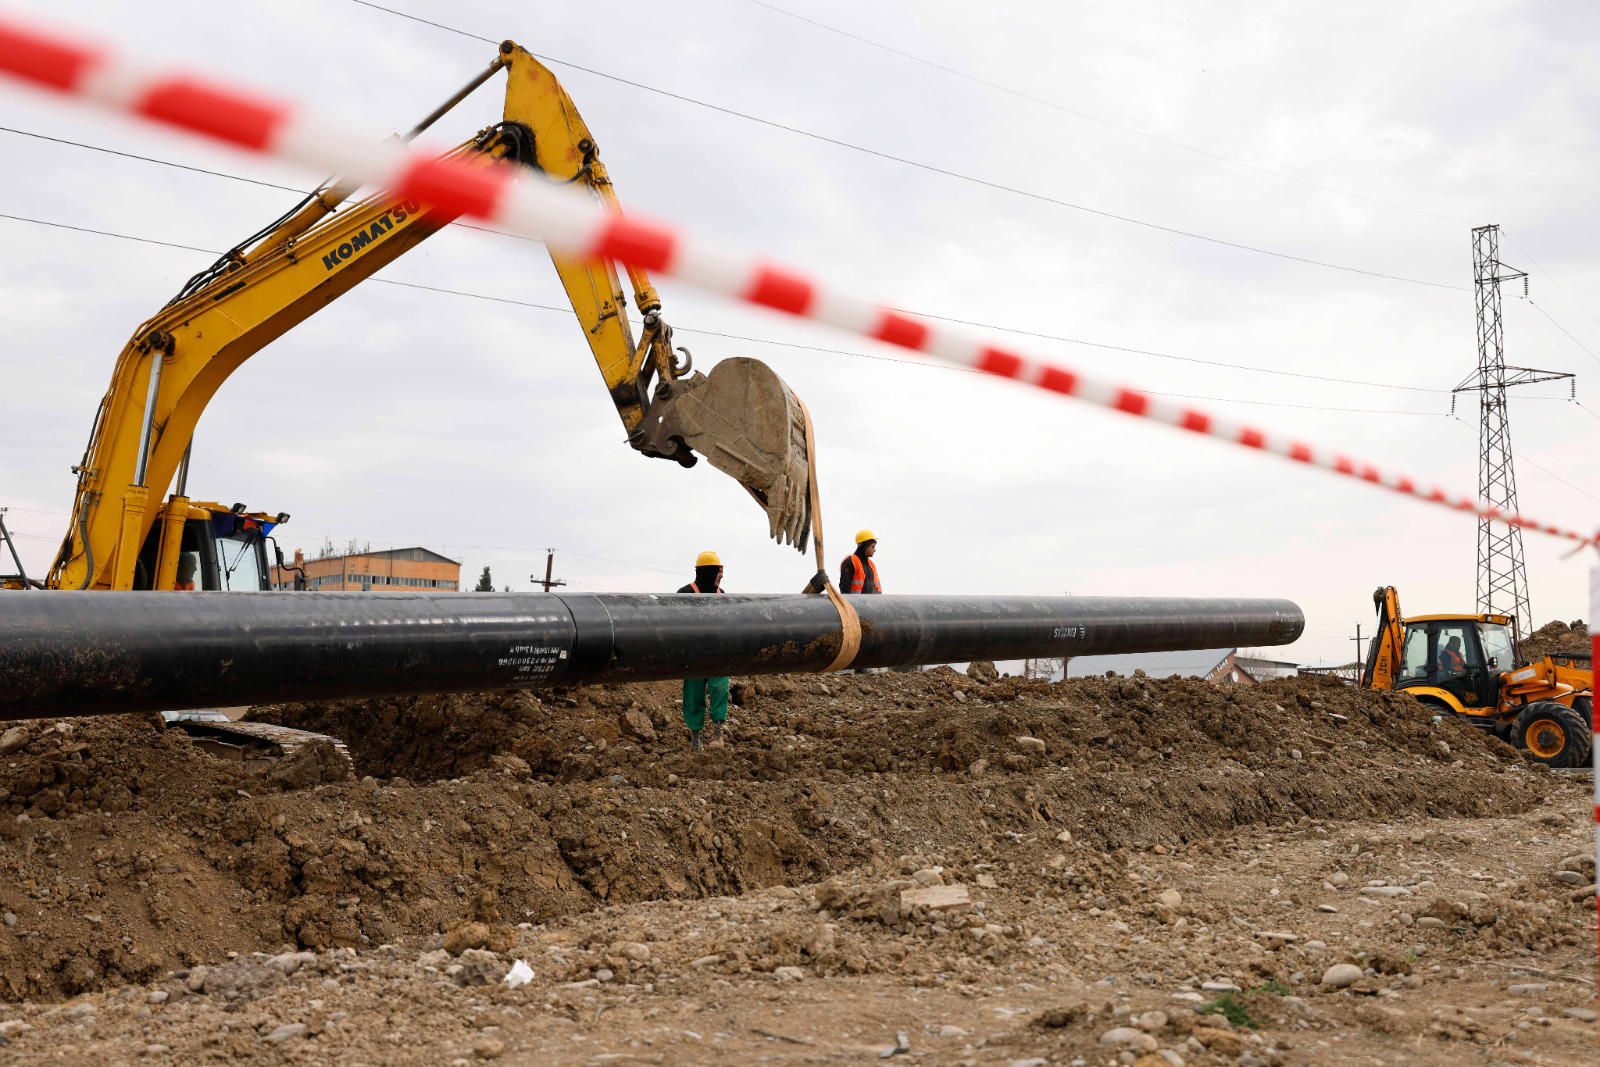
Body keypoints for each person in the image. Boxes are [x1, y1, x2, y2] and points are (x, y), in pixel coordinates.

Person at [678, 550, 729, 751]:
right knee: (693, 696)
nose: (722, 575)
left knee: (720, 688)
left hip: (718, 654)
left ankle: (718, 732)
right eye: (719, 571)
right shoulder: (685, 594)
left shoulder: (721, 595)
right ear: (708, 571)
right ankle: (695, 738)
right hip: (694, 656)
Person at [839, 529, 882, 594]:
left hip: (872, 603)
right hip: (855, 603)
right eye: (872, 547)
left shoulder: (871, 564)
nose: (874, 550)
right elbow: (844, 588)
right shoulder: (850, 561)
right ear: (864, 547)